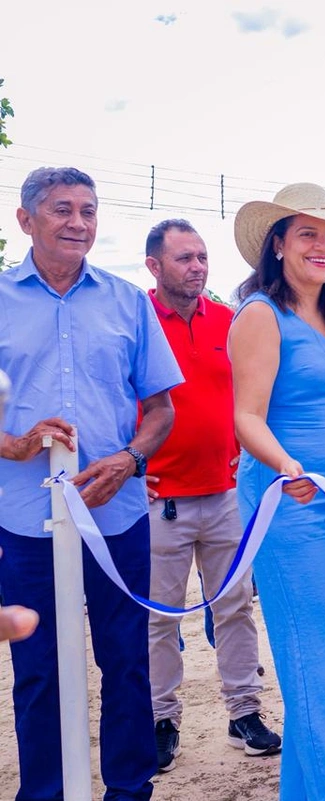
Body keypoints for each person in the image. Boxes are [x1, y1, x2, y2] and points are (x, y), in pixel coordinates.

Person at [0, 166, 182, 801]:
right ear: (26, 220)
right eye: (61, 210)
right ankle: (46, 792)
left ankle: (129, 790)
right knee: (37, 667)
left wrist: (130, 459)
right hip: (25, 518)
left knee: (127, 660)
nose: (78, 223)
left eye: (88, 210)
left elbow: (162, 409)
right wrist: (14, 444)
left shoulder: (127, 300)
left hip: (117, 517)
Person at [229, 182, 325, 800]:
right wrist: (288, 467)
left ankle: (309, 791)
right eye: (307, 234)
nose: (323, 246)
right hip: (286, 504)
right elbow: (246, 417)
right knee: (319, 654)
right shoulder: (262, 314)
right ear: (279, 244)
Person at [142, 218, 281, 773]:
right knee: (158, 618)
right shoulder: (138, 321)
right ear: (154, 265)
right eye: (184, 258)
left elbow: (255, 394)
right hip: (158, 500)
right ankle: (160, 719)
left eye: (201, 257)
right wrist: (131, 467)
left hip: (226, 494)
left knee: (235, 607)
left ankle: (244, 712)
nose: (197, 267)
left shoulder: (229, 321)